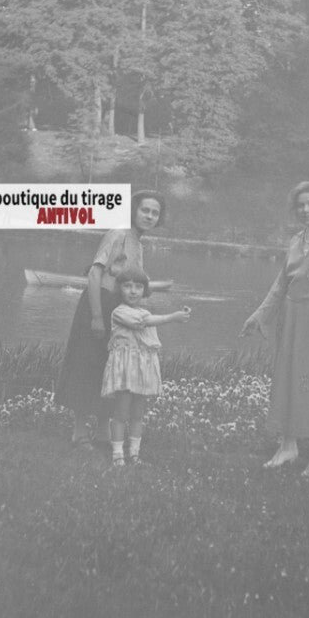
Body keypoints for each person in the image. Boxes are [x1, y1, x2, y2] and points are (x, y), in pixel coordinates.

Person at [240, 181, 309, 476]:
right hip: (290, 320)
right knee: (288, 379)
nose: (306, 210)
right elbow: (281, 284)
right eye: (301, 205)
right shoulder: (295, 241)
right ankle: (287, 446)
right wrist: (260, 316)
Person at [54, 190, 171, 445]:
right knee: (88, 362)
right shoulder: (117, 233)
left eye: (155, 213)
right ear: (133, 210)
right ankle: (79, 431)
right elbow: (95, 274)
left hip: (120, 308)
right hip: (100, 303)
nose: (149, 216)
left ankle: (103, 428)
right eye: (145, 210)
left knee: (113, 365)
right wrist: (97, 316)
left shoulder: (138, 244)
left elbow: (135, 282)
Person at [101, 266, 191, 466]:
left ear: (144, 290)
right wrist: (172, 317)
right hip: (125, 370)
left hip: (141, 370)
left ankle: (134, 454)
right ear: (119, 289)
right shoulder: (120, 312)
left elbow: (149, 337)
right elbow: (141, 323)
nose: (133, 291)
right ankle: (117, 455)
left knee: (138, 414)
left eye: (138, 287)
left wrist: (176, 317)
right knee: (121, 412)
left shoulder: (145, 311)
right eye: (127, 286)